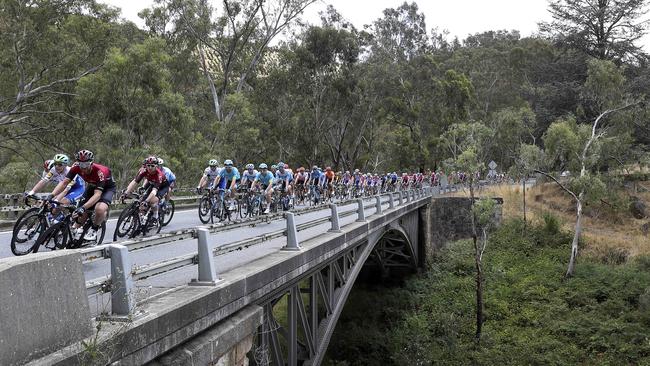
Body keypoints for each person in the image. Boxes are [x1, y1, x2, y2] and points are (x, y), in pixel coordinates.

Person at [50, 150, 115, 241]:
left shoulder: (100, 172)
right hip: (92, 186)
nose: (83, 168)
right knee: (80, 214)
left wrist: (83, 207)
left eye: (86, 164)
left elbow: (97, 195)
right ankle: (76, 232)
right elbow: (64, 183)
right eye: (81, 164)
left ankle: (94, 229)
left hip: (107, 189)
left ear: (91, 163)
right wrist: (52, 195)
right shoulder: (76, 168)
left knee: (99, 209)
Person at [25, 154, 85, 223]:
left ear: (65, 165)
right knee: (51, 207)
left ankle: (65, 223)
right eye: (55, 164)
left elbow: (66, 190)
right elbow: (43, 181)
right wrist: (31, 192)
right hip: (64, 187)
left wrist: (56, 200)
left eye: (60, 164)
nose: (57, 166)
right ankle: (59, 223)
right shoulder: (53, 170)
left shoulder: (70, 171)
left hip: (77, 189)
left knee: (60, 202)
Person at [122, 156, 170, 225]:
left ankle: (155, 215)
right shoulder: (144, 171)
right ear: (146, 165)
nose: (150, 168)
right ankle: (142, 218)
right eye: (148, 165)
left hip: (162, 187)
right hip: (153, 184)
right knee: (141, 201)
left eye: (152, 166)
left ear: (156, 166)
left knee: (151, 201)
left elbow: (154, 191)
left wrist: (147, 201)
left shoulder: (159, 175)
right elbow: (134, 182)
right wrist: (126, 192)